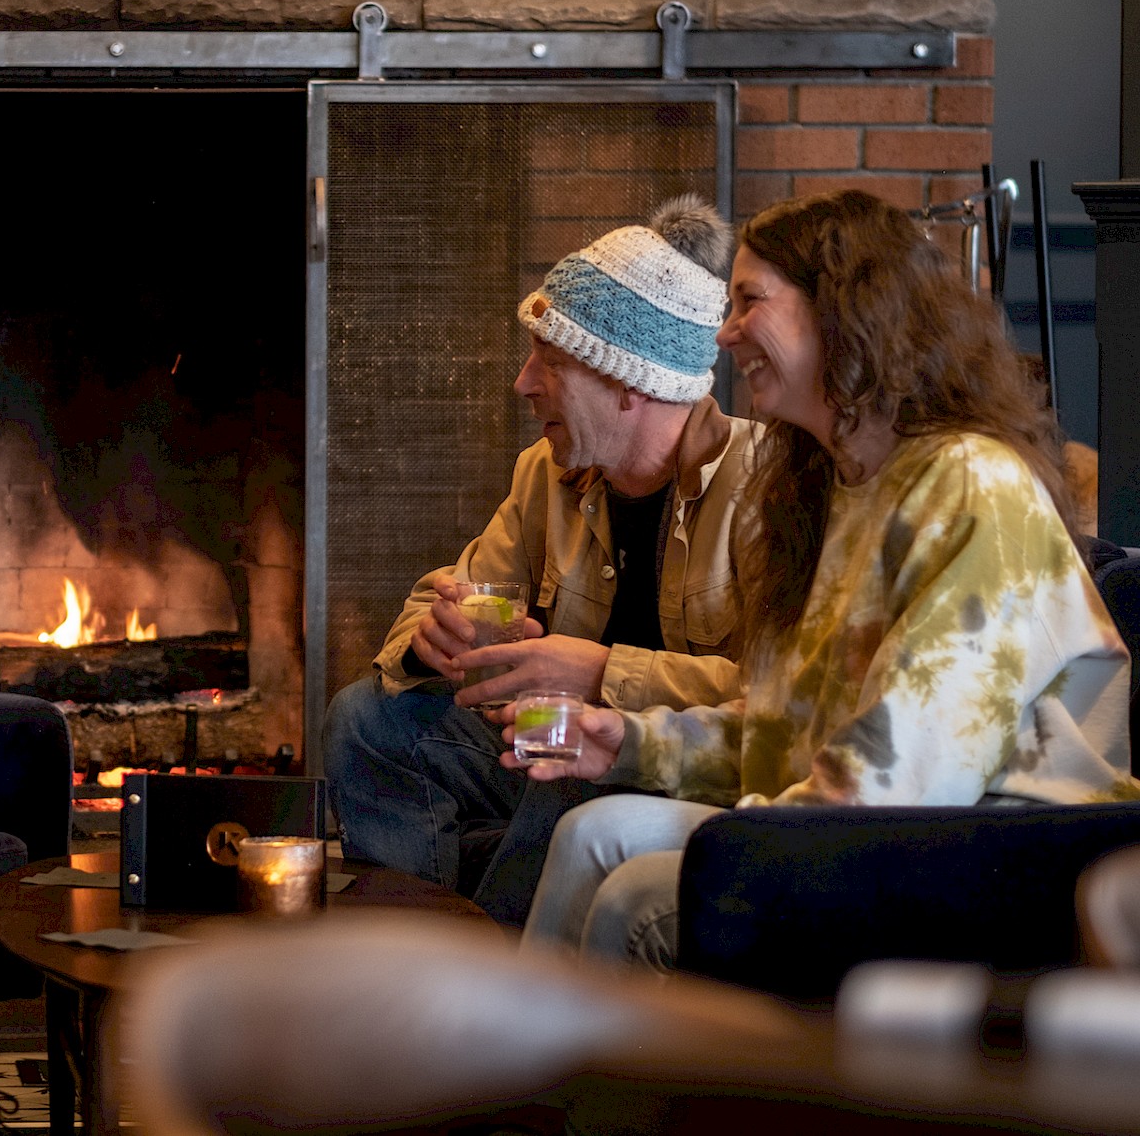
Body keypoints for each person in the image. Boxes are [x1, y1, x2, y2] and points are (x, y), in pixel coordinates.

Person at [512, 188, 1137, 969]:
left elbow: (899, 777)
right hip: (875, 827)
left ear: (844, 310)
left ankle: (631, 1090)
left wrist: (743, 843)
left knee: (638, 897)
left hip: (1000, 858)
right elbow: (790, 734)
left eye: (749, 302)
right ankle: (531, 1084)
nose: (725, 330)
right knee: (589, 832)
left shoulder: (972, 487)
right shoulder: (826, 491)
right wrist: (630, 742)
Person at [323, 196, 756, 920]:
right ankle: (410, 955)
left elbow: (782, 698)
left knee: (562, 753)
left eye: (550, 361)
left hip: (665, 762)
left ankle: (482, 986)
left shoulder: (764, 492)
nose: (523, 383)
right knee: (365, 719)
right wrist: (433, 642)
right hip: (545, 744)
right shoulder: (545, 476)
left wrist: (599, 674)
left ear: (626, 384)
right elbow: (445, 598)